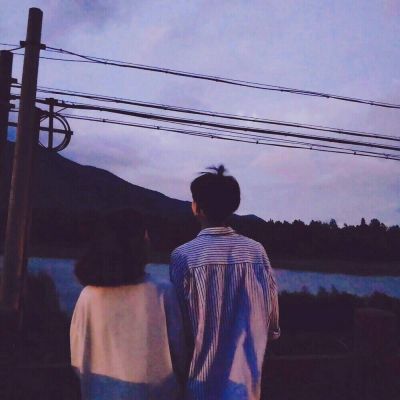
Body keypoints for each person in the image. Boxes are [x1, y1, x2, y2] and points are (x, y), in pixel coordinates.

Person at [170, 165, 280, 400]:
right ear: (233, 207)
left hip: (200, 386)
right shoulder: (256, 252)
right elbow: (271, 323)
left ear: (197, 208)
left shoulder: (183, 256)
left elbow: (178, 329)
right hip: (246, 388)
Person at [70, 209, 186, 400]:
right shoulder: (161, 292)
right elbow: (179, 353)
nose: (149, 241)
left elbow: (77, 355)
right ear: (134, 245)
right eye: (145, 237)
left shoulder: (88, 296)